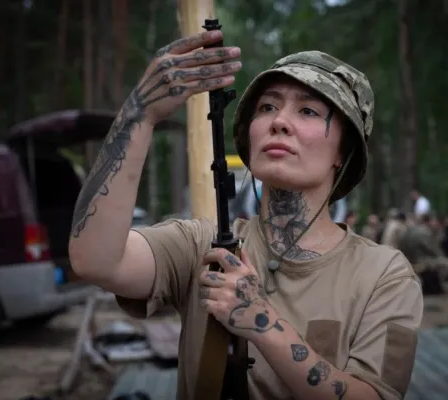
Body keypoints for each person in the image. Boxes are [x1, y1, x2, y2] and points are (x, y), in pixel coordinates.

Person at [68, 30, 423, 400]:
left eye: (308, 111)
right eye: (267, 107)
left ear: (343, 152)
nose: (279, 121)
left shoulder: (384, 275)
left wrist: (262, 322)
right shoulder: (200, 247)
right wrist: (138, 115)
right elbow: (94, 261)